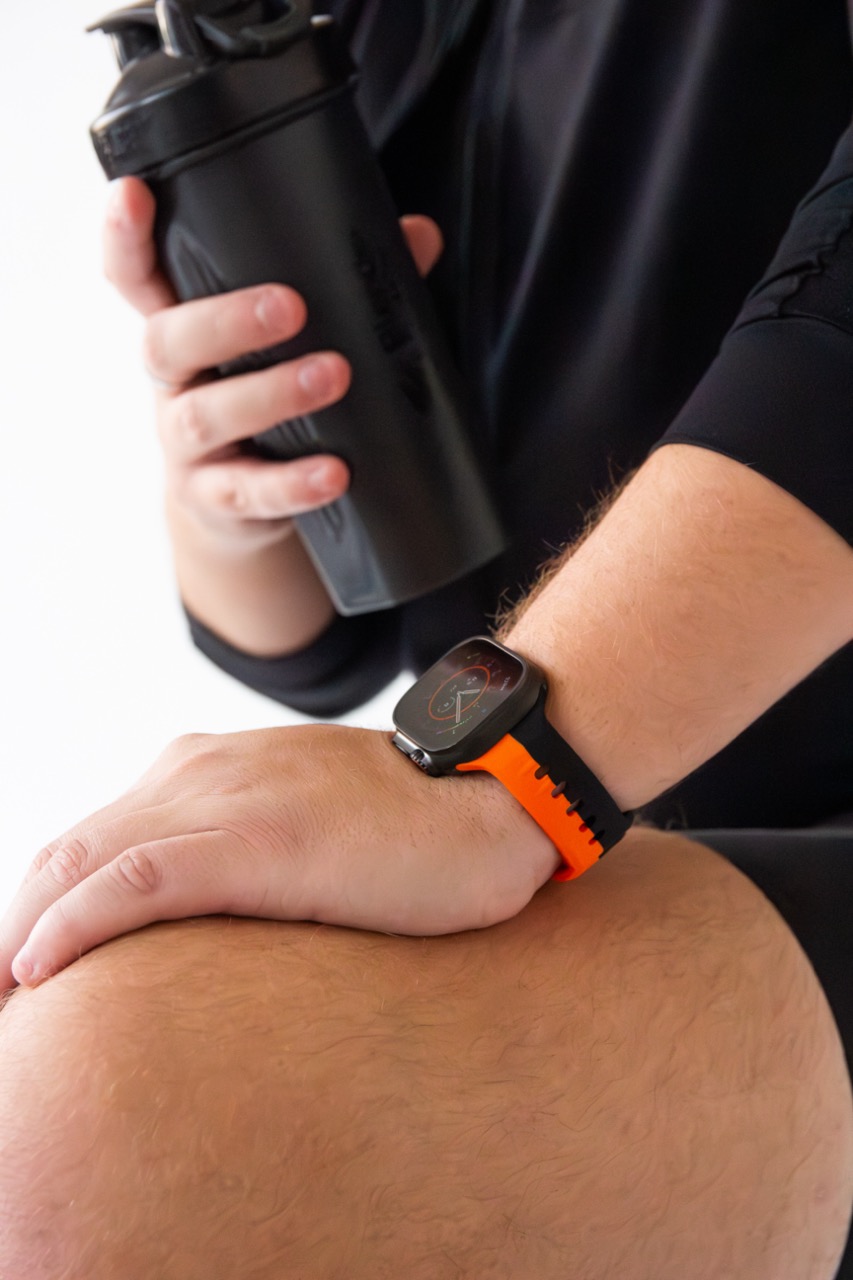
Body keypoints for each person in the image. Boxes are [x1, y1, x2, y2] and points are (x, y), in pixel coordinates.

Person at [0, 0, 852, 1273]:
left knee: (86, 1125)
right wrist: (233, 487)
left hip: (767, 812)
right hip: (576, 837)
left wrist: (493, 773)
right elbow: (328, 642)